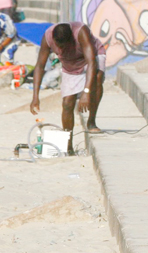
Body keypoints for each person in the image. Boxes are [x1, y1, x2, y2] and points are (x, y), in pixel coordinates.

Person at [30, 22, 107, 154]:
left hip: (91, 58)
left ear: (71, 39)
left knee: (97, 79)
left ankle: (91, 121)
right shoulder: (48, 37)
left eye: (64, 46)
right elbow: (40, 66)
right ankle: (68, 145)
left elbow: (91, 62)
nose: (60, 49)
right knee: (67, 103)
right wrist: (35, 96)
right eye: (58, 46)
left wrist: (86, 92)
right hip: (70, 65)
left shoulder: (81, 33)